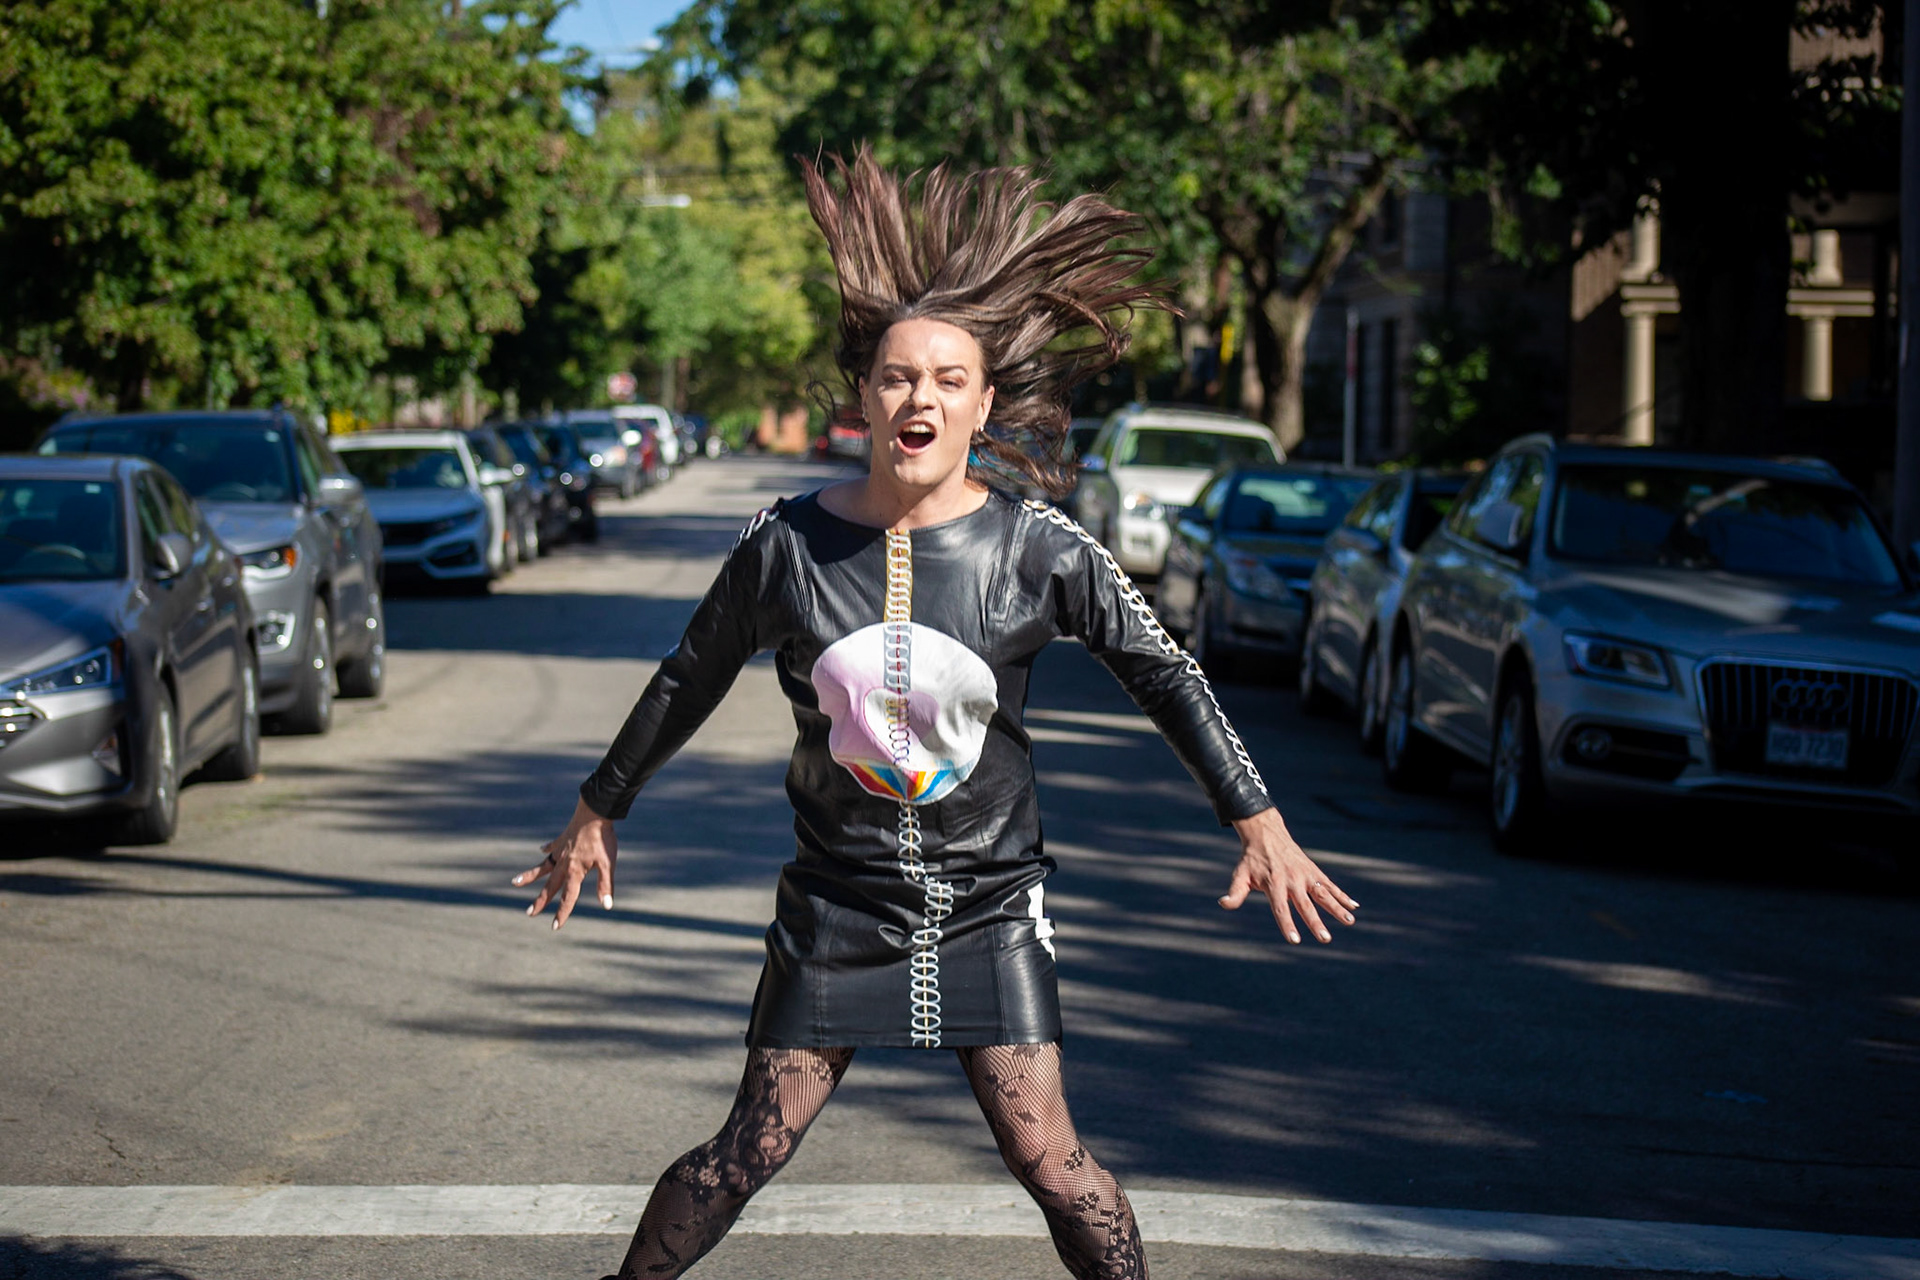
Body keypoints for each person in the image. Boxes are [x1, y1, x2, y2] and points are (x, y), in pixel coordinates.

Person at [514, 149, 1359, 1280]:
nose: (921, 399)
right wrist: (598, 807)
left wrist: (1255, 815)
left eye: (949, 380)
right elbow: (687, 677)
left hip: (992, 902)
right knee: (748, 1148)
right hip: (839, 899)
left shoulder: (1039, 547)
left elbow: (1166, 673)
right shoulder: (787, 546)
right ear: (866, 395)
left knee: (1048, 1156)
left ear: (984, 402)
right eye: (898, 378)